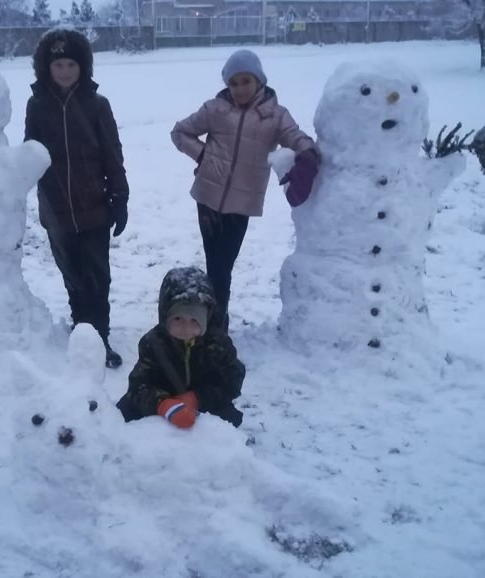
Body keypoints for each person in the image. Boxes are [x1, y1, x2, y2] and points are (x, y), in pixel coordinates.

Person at [171, 49, 320, 333]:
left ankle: (214, 322)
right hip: (207, 197)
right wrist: (203, 155)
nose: (239, 89)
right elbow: (179, 132)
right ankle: (215, 324)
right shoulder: (215, 109)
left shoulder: (274, 115)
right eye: (233, 83)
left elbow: (295, 136)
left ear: (259, 81)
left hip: (241, 204)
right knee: (216, 265)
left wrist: (308, 151)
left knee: (222, 266)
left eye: (245, 81)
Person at [25, 28, 130, 368]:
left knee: (98, 279)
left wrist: (120, 197)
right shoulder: (37, 105)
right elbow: (30, 154)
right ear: (46, 68)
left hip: (95, 208)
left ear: (83, 66)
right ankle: (82, 333)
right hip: (56, 211)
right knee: (73, 279)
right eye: (58, 65)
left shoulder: (97, 105)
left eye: (72, 64)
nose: (65, 71)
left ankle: (101, 339)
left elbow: (112, 153)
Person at [116, 267, 245, 428]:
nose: (186, 328)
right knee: (123, 412)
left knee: (228, 420)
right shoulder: (153, 343)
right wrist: (163, 404)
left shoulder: (218, 344)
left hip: (203, 404)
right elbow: (138, 386)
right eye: (178, 319)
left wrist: (197, 398)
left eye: (194, 321)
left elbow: (232, 382)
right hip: (162, 402)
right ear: (165, 316)